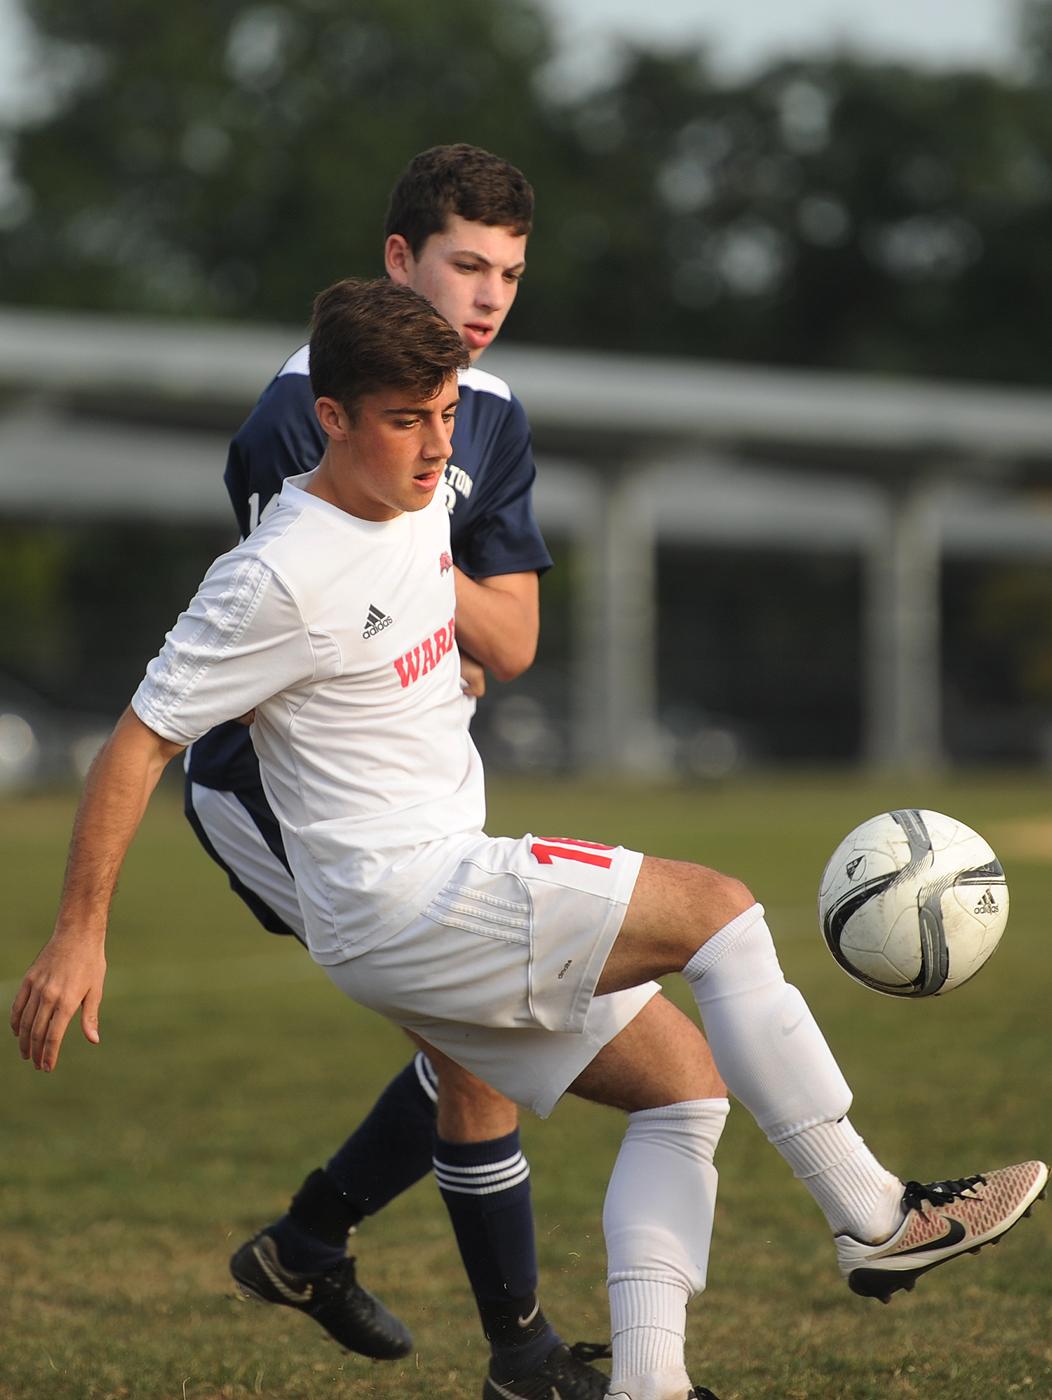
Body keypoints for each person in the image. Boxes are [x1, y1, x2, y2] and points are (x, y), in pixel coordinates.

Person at [12, 278, 1047, 1400]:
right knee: (720, 907)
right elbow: (134, 742)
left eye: (445, 415)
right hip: (405, 894)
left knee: (683, 1087)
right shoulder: (271, 574)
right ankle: (876, 1213)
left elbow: (443, 637)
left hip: (421, 893)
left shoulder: (414, 511)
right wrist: (79, 934)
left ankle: (646, 1382)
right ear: (331, 418)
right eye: (403, 418)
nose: (431, 444)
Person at [183, 142, 629, 1399]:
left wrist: (429, 611)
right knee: (480, 1028)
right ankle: (522, 1358)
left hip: (411, 777)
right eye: (464, 265)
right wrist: (439, 617)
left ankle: (311, 1238)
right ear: (398, 261)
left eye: (509, 273)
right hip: (273, 789)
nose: (488, 298)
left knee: (467, 1030)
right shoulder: (299, 412)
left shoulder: (489, 409)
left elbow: (518, 639)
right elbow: (323, 629)